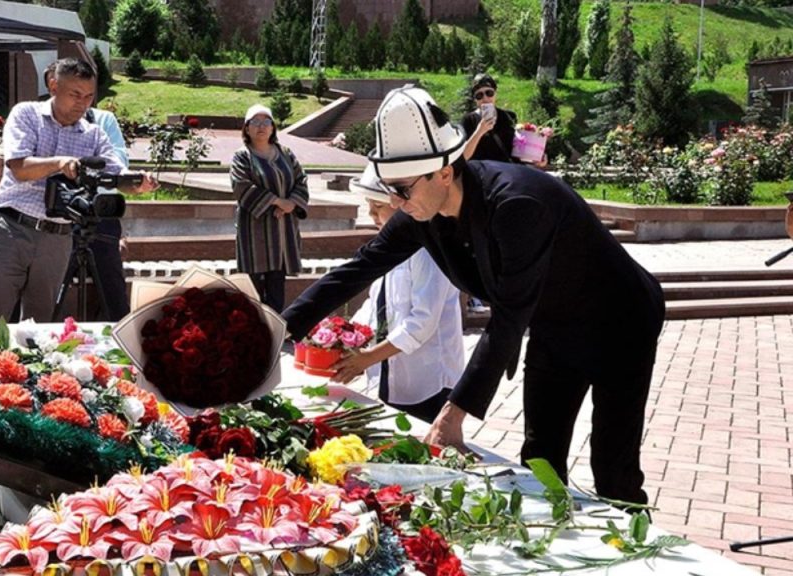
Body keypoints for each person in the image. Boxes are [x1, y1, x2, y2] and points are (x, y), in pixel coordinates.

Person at [282, 86, 665, 506]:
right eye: (389, 189)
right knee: (540, 456)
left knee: (613, 470)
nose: (395, 202)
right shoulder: (420, 210)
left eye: (403, 189)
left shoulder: (516, 204)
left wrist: (453, 411)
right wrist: (278, 329)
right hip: (553, 322)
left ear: (444, 172)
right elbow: (359, 267)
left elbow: (508, 316)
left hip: (619, 322)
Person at [0, 57, 154, 324]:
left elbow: (114, 173)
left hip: (58, 237)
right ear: (53, 86)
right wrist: (59, 163)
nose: (82, 103)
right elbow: (19, 167)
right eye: (75, 94)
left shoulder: (94, 134)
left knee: (40, 327)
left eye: (89, 96)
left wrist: (137, 181)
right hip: (12, 229)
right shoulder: (27, 114)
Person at [329, 168, 465, 423]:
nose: (371, 215)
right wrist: (347, 336)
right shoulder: (389, 248)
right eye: (369, 205)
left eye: (378, 206)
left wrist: (368, 357)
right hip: (392, 372)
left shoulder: (428, 252)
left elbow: (422, 322)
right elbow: (375, 302)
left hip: (428, 380)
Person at [231, 104, 309, 313]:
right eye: (255, 122)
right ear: (247, 128)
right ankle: (254, 330)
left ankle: (274, 329)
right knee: (253, 285)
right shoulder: (242, 156)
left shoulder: (285, 153)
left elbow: (301, 180)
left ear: (273, 127)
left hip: (282, 229)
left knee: (277, 282)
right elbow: (241, 186)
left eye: (266, 122)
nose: (261, 127)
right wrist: (276, 201)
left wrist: (291, 203)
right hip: (254, 230)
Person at [86, 105, 131, 321]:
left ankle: (119, 331)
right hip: (60, 213)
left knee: (112, 283)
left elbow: (119, 163)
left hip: (102, 211)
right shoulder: (43, 118)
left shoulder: (104, 120)